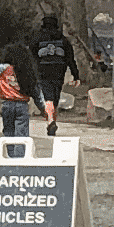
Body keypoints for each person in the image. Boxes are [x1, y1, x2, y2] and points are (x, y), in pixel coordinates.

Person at [30, 8, 79, 137]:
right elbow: (70, 58)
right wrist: (76, 75)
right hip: (59, 71)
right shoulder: (63, 40)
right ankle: (52, 121)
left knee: (48, 98)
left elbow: (31, 57)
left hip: (43, 71)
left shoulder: (37, 39)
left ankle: (51, 120)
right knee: (55, 96)